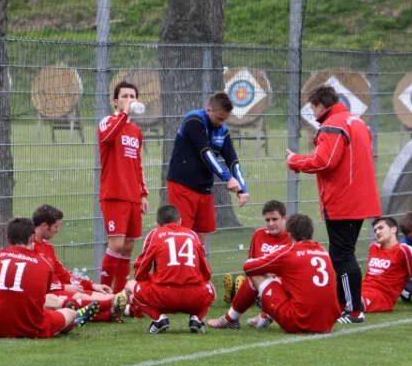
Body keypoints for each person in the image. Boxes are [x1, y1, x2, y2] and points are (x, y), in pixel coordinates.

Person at [286, 85, 381, 323]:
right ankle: (343, 305)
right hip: (359, 198)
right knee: (341, 252)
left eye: (313, 108)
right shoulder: (357, 122)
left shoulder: (332, 125)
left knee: (342, 255)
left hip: (342, 200)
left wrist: (294, 160)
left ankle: (353, 310)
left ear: (320, 106)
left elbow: (324, 161)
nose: (313, 114)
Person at [0, 218, 98, 338]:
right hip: (31, 328)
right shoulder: (44, 263)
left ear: (7, 239)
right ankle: (70, 321)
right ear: (32, 238)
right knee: (69, 312)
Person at [167, 91, 249, 245]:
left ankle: (197, 269)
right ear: (208, 109)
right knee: (183, 238)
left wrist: (242, 188)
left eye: (224, 119)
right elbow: (206, 153)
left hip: (204, 189)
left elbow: (233, 160)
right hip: (182, 186)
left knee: (200, 240)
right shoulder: (194, 120)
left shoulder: (222, 130)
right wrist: (228, 178)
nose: (221, 123)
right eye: (218, 118)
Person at [123, 205, 215, 334]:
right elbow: (207, 272)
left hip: (164, 296)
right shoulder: (192, 234)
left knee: (135, 287)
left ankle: (158, 318)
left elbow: (140, 271)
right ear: (180, 221)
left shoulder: (155, 234)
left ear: (158, 224)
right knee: (210, 288)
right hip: (193, 296)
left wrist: (150, 280)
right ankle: (197, 319)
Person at [241, 213, 340, 333]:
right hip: (328, 322)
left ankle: (230, 318)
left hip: (299, 321)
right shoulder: (323, 251)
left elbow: (248, 267)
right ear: (311, 233)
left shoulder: (289, 251)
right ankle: (265, 315)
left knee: (257, 274)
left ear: (289, 234)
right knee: (291, 280)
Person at [32, 204, 127, 322]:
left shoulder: (48, 247)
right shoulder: (30, 248)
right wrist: (64, 287)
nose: (57, 231)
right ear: (45, 226)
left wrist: (92, 285)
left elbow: (63, 274)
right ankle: (119, 308)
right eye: (56, 227)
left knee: (103, 295)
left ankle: (114, 308)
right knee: (81, 296)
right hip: (49, 293)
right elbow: (34, 281)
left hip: (60, 290)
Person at [97, 81, 149, 293]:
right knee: (116, 244)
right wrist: (124, 114)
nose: (129, 100)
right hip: (114, 193)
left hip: (132, 196)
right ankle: (102, 291)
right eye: (125, 96)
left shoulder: (136, 130)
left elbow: (138, 164)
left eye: (133, 97)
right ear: (115, 101)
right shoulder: (108, 122)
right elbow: (107, 137)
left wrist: (143, 194)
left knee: (128, 246)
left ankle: (119, 295)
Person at [209, 200, 290, 329]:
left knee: (258, 276)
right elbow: (252, 263)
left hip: (285, 287)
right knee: (253, 274)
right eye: (267, 220)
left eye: (275, 219)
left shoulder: (291, 238)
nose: (271, 224)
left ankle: (234, 318)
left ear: (284, 219)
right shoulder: (259, 234)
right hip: (263, 284)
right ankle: (262, 315)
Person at [361, 217, 412, 314]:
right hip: (363, 289)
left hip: (382, 297)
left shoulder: (405, 250)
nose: (377, 232)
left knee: (353, 304)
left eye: (381, 228)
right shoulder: (373, 248)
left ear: (393, 229)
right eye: (375, 230)